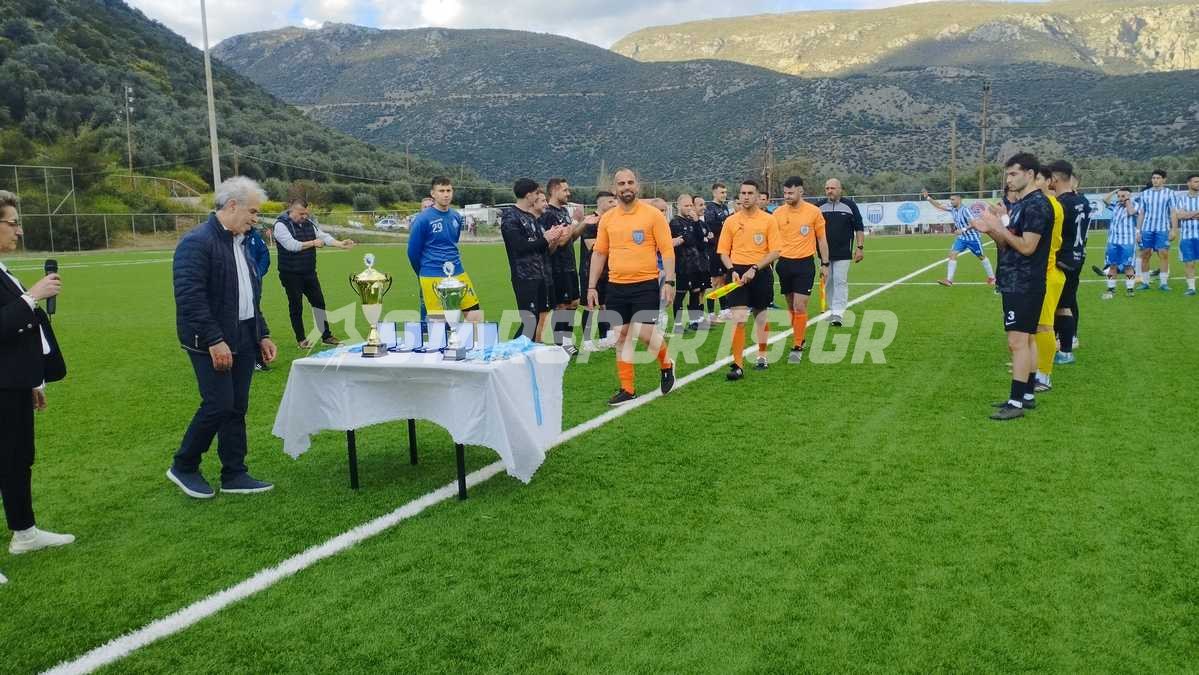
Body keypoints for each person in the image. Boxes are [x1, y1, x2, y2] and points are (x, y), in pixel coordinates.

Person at [169, 177, 278, 498]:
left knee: (236, 407)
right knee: (218, 404)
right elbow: (190, 298)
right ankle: (184, 465)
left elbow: (249, 296)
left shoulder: (241, 243)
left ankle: (234, 473)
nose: (255, 219)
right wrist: (215, 340)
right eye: (253, 212)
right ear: (232, 206)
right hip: (209, 339)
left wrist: (262, 334)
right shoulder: (197, 242)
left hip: (243, 335)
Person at [0, 190, 73, 582]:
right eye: (12, 223)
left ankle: (24, 533)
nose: (19, 230)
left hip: (12, 384)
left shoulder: (3, 269)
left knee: (17, 458)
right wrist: (32, 297)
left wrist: (31, 380)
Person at [587, 168, 676, 405]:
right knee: (621, 336)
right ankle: (627, 388)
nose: (626, 187)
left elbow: (667, 250)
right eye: (621, 183)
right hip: (616, 286)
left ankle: (667, 364)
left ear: (637, 185)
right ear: (614, 189)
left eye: (630, 182)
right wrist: (591, 287)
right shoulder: (608, 219)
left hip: (645, 284)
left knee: (645, 333)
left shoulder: (652, 215)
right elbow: (599, 253)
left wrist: (669, 281)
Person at [973, 153, 1052, 421]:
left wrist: (1000, 226)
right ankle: (1026, 395)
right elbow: (1008, 244)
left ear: (1030, 174)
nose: (1009, 179)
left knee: (1017, 342)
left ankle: (1015, 401)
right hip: (1015, 279)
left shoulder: (1037, 205)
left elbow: (1027, 247)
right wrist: (991, 230)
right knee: (1027, 339)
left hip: (1025, 282)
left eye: (1014, 174)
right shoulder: (1021, 205)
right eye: (1007, 174)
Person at [717, 179, 781, 379]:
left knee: (760, 316)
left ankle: (762, 355)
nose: (745, 197)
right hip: (736, 272)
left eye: (750, 193)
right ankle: (738, 365)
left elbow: (775, 251)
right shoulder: (731, 221)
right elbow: (723, 252)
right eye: (742, 193)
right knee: (738, 319)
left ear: (758, 196)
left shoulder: (768, 220)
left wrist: (755, 268)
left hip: (760, 271)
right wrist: (731, 269)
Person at [273, 199, 355, 350]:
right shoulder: (280, 225)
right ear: (292, 210)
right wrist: (313, 243)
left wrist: (340, 244)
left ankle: (326, 336)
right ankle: (301, 339)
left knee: (319, 303)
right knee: (296, 306)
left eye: (306, 213)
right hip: (290, 274)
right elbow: (291, 245)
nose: (304, 216)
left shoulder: (309, 223)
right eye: (301, 213)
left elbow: (323, 236)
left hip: (309, 271)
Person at [407, 177, 482, 329]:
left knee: (475, 316)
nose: (446, 194)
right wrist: (423, 272)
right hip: (432, 275)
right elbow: (412, 252)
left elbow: (453, 242)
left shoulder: (456, 216)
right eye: (441, 191)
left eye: (449, 190)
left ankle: (465, 344)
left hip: (458, 272)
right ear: (433, 194)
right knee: (438, 326)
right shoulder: (422, 219)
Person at [501, 179, 569, 342]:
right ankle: (513, 351)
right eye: (536, 193)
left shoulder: (531, 217)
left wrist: (553, 237)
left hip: (541, 276)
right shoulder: (510, 216)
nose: (538, 196)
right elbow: (519, 246)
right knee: (529, 321)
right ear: (529, 195)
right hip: (524, 277)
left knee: (536, 319)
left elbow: (540, 247)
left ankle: (526, 351)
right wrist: (546, 238)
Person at [773, 177, 829, 363]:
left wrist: (825, 264)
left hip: (805, 264)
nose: (787, 196)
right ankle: (800, 336)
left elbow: (821, 239)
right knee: (790, 305)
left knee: (799, 305)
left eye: (791, 193)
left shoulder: (813, 212)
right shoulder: (778, 213)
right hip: (784, 264)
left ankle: (797, 344)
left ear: (801, 192)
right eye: (785, 193)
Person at [1048, 160, 1089, 365]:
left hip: (1062, 259)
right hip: (1078, 256)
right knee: (1068, 302)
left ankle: (1065, 351)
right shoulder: (1082, 200)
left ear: (1055, 178)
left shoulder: (1060, 204)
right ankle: (1064, 342)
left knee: (1061, 306)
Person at [1032, 167, 1066, 393]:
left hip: (1047, 272)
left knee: (1043, 326)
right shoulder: (1041, 204)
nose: (1033, 182)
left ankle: (1044, 376)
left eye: (1037, 178)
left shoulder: (1050, 205)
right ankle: (1034, 368)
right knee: (1034, 326)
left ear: (1048, 181)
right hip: (1038, 273)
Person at [541, 178, 584, 354]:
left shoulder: (564, 211)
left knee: (574, 303)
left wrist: (583, 223)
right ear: (554, 191)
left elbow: (571, 238)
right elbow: (559, 241)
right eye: (565, 190)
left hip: (569, 264)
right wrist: (575, 221)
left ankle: (567, 340)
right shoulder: (548, 214)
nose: (568, 193)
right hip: (557, 267)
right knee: (562, 306)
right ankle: (561, 345)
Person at [817, 178, 864, 326]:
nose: (829, 191)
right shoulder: (818, 206)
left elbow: (859, 227)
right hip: (823, 254)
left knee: (840, 280)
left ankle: (838, 313)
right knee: (828, 281)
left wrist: (860, 247)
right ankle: (833, 310)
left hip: (843, 252)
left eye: (832, 188)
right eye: (827, 188)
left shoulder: (850, 206)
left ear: (840, 189)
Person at [922, 190, 995, 286]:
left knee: (981, 256)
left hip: (972, 238)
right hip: (962, 238)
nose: (951, 201)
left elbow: (974, 223)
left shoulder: (965, 210)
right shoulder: (952, 209)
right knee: (952, 254)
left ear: (959, 199)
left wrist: (963, 229)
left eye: (953, 199)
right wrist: (928, 197)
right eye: (950, 199)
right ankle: (949, 280)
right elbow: (939, 205)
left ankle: (992, 277)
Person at [579, 191, 618, 351]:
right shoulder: (591, 221)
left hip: (607, 270)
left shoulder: (611, 220)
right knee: (590, 305)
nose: (614, 204)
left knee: (604, 305)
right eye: (610, 202)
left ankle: (604, 337)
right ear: (601, 203)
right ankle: (587, 341)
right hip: (590, 271)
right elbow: (592, 246)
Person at [1134, 169, 1174, 291]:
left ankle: (1163, 283)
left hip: (1162, 229)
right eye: (1153, 178)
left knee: (1163, 254)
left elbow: (1173, 212)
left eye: (1158, 178)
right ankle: (1145, 282)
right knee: (1145, 254)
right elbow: (1141, 213)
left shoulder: (1169, 193)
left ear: (1164, 180)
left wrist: (1173, 229)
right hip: (1147, 229)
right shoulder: (1145, 194)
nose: (1155, 180)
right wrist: (1138, 231)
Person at [1101, 188, 1141, 299]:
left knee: (1128, 266)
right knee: (1112, 265)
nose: (1120, 198)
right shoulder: (1116, 205)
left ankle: (1130, 289)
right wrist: (1115, 191)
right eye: (1118, 196)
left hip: (1127, 241)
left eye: (1123, 196)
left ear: (1129, 196)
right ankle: (1111, 288)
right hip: (1113, 241)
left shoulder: (1135, 204)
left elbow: (1131, 212)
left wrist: (1127, 200)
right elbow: (1104, 200)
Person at [244, 221, 272, 372]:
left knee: (253, 316)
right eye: (252, 213)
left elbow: (264, 255)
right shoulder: (227, 238)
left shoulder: (254, 235)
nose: (254, 219)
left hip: (254, 283)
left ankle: (257, 359)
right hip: (234, 287)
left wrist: (257, 274)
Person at [704, 183, 731, 323]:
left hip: (724, 249)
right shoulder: (710, 208)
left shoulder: (725, 208)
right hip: (714, 249)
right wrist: (724, 225)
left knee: (724, 279)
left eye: (725, 192)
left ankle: (724, 310)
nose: (724, 195)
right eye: (721, 192)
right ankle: (710, 313)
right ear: (714, 193)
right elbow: (712, 227)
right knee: (715, 281)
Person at [1170, 173, 1199, 296]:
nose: (1198, 184)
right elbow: (1179, 215)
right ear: (1188, 183)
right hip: (1186, 236)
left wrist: (1187, 214)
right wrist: (1196, 213)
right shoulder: (1181, 199)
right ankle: (1191, 288)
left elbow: (1184, 215)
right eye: (1196, 181)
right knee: (1189, 263)